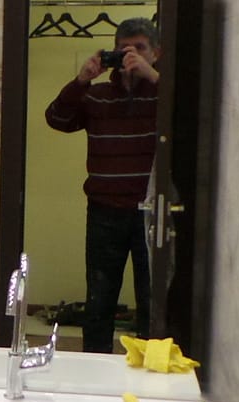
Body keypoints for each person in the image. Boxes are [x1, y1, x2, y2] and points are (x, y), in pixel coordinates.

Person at [43, 18, 162, 353]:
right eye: (123, 49)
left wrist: (152, 76)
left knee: (152, 301)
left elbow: (187, 115)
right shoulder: (97, 95)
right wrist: (82, 80)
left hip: (152, 213)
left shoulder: (162, 94)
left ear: (156, 53)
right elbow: (57, 119)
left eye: (140, 48)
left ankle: (150, 367)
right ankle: (93, 368)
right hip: (104, 212)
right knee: (99, 300)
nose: (130, 55)